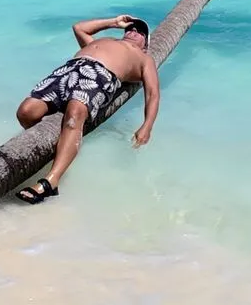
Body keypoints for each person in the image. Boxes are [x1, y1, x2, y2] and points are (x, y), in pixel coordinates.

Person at [13, 13, 159, 203]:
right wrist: (113, 22)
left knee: (75, 114)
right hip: (68, 71)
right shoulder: (104, 41)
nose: (133, 31)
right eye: (131, 28)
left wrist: (147, 125)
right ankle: (55, 152)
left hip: (99, 75)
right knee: (26, 111)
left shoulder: (144, 59)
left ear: (146, 44)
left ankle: (51, 182)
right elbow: (79, 28)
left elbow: (153, 93)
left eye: (140, 31)